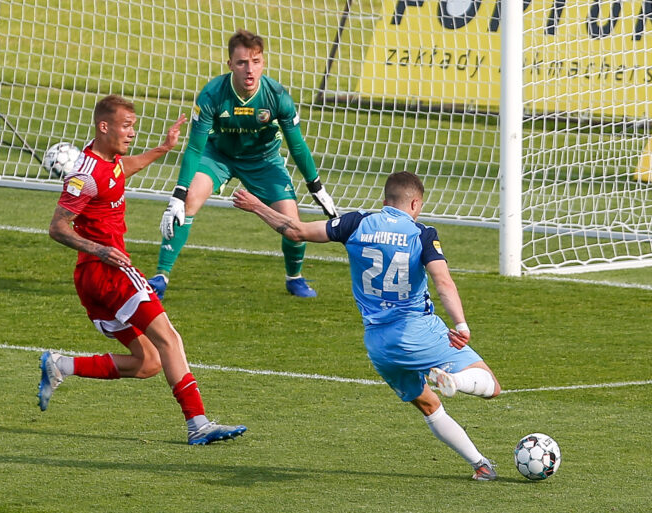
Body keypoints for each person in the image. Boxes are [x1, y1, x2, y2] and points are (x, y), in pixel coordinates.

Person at [234, 171, 501, 480]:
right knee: (490, 385)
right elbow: (443, 281)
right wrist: (461, 324)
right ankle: (455, 379)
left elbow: (295, 231)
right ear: (415, 202)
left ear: (384, 201)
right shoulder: (422, 233)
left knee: (429, 405)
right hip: (416, 332)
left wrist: (257, 206)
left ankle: (481, 465)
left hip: (379, 344)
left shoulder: (356, 224)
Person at [40, 94, 246, 445]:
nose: (131, 133)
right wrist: (100, 249)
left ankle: (62, 365)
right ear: (104, 126)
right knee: (170, 338)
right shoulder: (85, 174)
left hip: (92, 279)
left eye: (133, 126)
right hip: (107, 271)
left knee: (148, 362)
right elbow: (58, 227)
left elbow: (122, 170)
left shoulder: (108, 159)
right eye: (126, 126)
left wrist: (163, 148)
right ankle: (198, 423)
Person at [148, 28, 338, 300]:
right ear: (230, 65)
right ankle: (161, 276)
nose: (250, 70)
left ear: (263, 63)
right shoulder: (212, 94)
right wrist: (178, 192)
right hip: (219, 157)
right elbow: (195, 147)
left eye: (256, 62)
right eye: (242, 63)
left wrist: (316, 186)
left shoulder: (277, 96)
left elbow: (297, 145)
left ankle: (294, 278)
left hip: (264, 161)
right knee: (189, 200)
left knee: (293, 224)